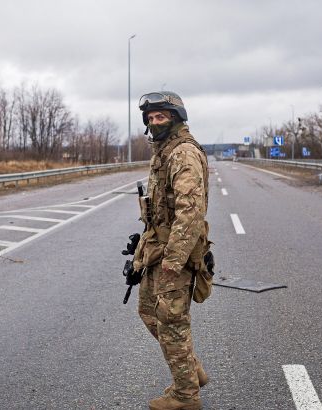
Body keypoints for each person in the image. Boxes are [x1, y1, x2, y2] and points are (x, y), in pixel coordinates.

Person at [132, 91, 210, 410]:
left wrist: (173, 262)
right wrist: (141, 252)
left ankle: (186, 395)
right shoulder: (164, 150)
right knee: (149, 310)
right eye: (150, 118)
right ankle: (191, 371)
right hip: (158, 250)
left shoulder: (183, 153)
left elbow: (190, 210)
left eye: (161, 116)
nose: (154, 122)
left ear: (176, 117)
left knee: (172, 320)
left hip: (174, 256)